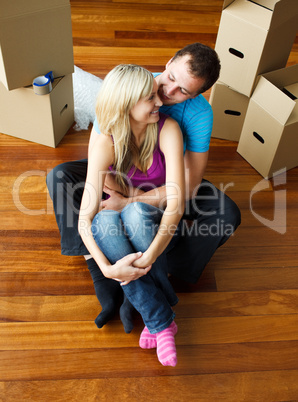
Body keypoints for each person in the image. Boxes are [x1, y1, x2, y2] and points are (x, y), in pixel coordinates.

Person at [46, 42, 241, 330]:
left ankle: (159, 267)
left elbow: (188, 186)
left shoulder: (198, 114)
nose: (167, 93)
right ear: (169, 62)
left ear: (197, 95)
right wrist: (118, 189)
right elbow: (102, 159)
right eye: (171, 78)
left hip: (166, 180)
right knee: (60, 176)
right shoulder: (128, 87)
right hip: (121, 174)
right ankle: (101, 272)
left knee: (227, 214)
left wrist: (130, 202)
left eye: (183, 91)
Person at [78, 64, 185, 366]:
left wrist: (150, 256)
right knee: (104, 221)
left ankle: (155, 319)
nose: (160, 102)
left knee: (136, 212)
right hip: (128, 239)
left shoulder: (167, 129)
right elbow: (84, 220)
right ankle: (162, 322)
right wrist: (107, 269)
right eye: (151, 98)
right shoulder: (106, 143)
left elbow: (175, 204)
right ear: (127, 103)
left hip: (161, 232)